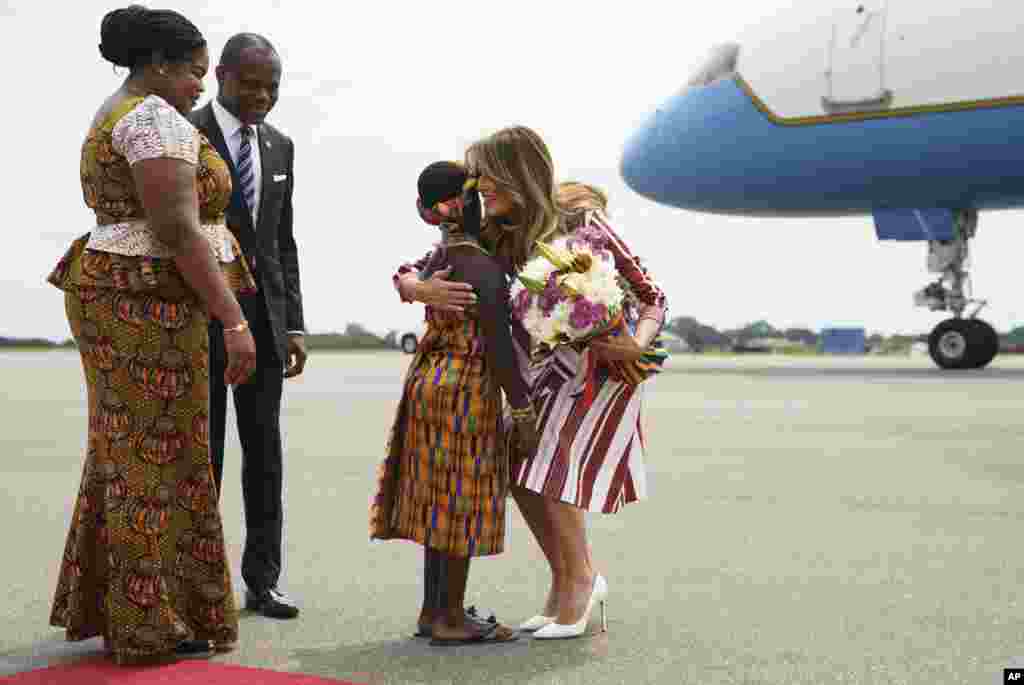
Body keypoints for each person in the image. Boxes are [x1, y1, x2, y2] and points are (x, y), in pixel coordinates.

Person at [46, 5, 257, 664]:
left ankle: (134, 613)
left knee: (130, 451)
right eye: (195, 74)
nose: (200, 87)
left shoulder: (115, 109)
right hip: (145, 301)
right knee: (156, 456)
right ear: (161, 66)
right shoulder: (153, 118)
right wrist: (233, 317)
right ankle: (151, 624)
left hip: (118, 294)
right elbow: (179, 231)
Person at [370, 161, 538, 645]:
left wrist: (410, 285)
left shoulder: (443, 258)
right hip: (465, 387)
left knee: (436, 501)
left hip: (427, 380)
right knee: (458, 503)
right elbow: (499, 346)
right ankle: (450, 620)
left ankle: (433, 610)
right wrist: (523, 410)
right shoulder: (480, 266)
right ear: (467, 204)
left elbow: (405, 276)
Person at [189, 33, 305, 620]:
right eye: (251, 84)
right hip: (198, 317)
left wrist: (294, 327)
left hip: (263, 323)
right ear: (221, 78)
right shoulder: (184, 132)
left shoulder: (281, 146)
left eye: (272, 87)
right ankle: (201, 586)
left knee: (265, 452)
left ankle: (264, 581)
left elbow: (281, 242)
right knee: (203, 450)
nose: (262, 96)